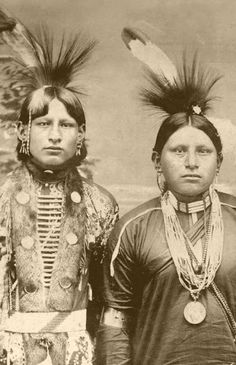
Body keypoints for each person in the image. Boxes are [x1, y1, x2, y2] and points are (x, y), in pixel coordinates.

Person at [96, 29, 236, 365]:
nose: (191, 161)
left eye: (203, 150)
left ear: (219, 161)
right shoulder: (133, 228)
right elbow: (114, 323)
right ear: (157, 160)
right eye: (178, 150)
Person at [0, 9, 118, 365]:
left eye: (66, 125)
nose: (54, 135)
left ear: (80, 135)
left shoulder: (101, 204)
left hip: (79, 347)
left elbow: (111, 299)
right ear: (23, 131)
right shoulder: (1, 198)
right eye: (43, 123)